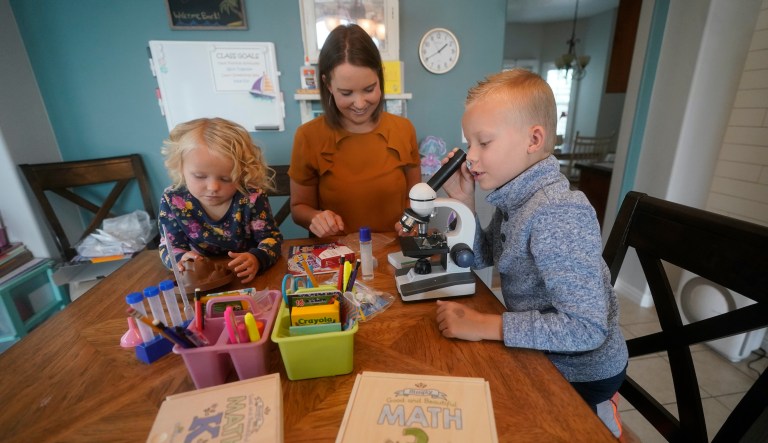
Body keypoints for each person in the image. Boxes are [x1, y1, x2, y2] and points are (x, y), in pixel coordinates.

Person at [434, 69, 628, 437]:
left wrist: (486, 325)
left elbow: (586, 329)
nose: (470, 157)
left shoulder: (556, 211)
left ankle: (601, 414)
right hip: (542, 348)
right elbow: (482, 257)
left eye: (483, 142)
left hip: (582, 373)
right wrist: (464, 204)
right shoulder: (516, 199)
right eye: (468, 143)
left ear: (533, 139)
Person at [289, 24, 421, 237]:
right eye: (346, 93)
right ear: (328, 84)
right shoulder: (308, 136)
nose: (360, 104)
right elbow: (298, 208)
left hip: (394, 248)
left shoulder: (404, 129)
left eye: (369, 89)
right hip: (336, 252)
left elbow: (414, 198)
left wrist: (412, 220)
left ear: (380, 77)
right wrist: (315, 218)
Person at [158, 117, 283, 284]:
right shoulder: (173, 199)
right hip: (199, 279)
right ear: (180, 168)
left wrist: (257, 258)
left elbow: (271, 238)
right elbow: (169, 245)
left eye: (226, 178)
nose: (213, 187)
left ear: (242, 173)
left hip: (245, 275)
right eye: (200, 176)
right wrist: (180, 259)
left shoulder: (252, 198)